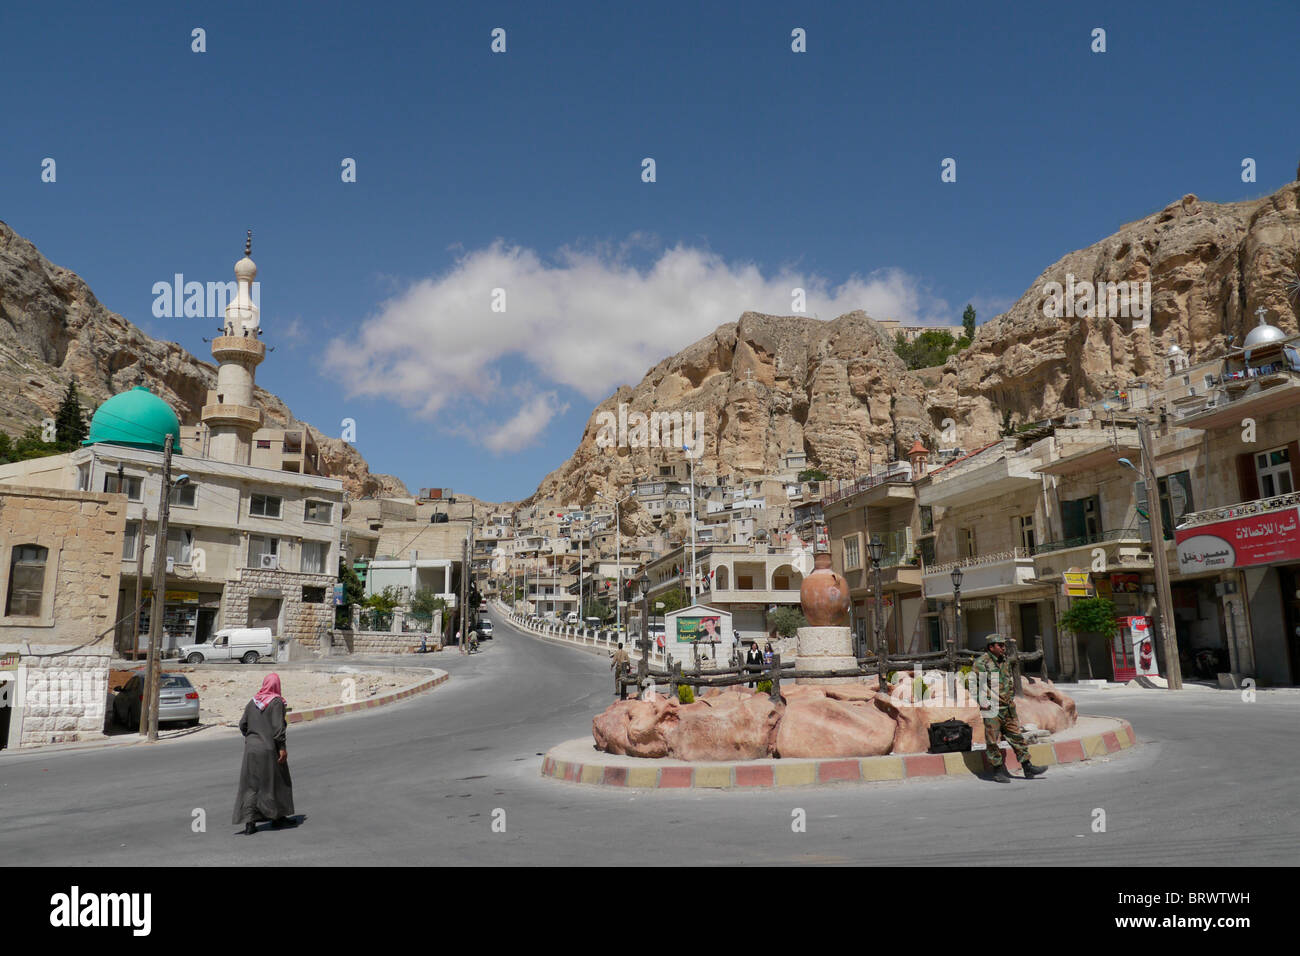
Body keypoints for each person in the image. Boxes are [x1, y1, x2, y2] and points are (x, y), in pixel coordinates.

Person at [972, 636, 1046, 782]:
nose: (1003, 647)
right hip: (992, 707)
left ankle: (1027, 767)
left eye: (1003, 645)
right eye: (1000, 645)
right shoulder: (981, 663)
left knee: (1017, 736)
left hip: (1008, 707)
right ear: (991, 647)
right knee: (993, 741)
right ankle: (998, 771)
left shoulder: (1004, 660)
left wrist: (1011, 697)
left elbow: (1008, 680)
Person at [233, 673, 296, 833]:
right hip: (269, 749)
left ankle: (250, 824)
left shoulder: (253, 702)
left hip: (251, 750)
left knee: (251, 787)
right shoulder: (276, 702)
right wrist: (282, 747)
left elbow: (242, 725)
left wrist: (253, 739)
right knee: (277, 782)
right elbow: (278, 729)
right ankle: (277, 817)